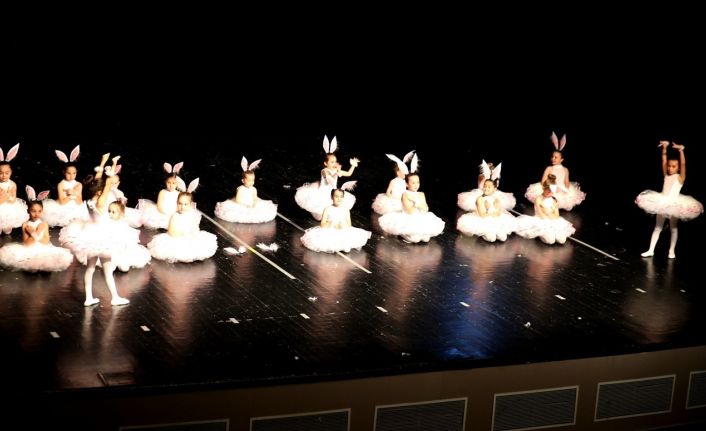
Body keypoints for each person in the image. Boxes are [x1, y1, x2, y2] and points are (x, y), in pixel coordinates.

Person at [59, 153, 130, 306]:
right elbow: (108, 182)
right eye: (102, 189)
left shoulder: (89, 200)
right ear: (99, 191)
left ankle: (89, 298)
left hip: (90, 235)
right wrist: (114, 163)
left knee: (90, 269)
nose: (104, 189)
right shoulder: (101, 200)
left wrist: (103, 161)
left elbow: (97, 179)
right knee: (107, 270)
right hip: (103, 237)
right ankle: (115, 297)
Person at [636, 141, 703, 259]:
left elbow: (683, 164)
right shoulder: (666, 175)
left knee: (673, 228)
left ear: (678, 168)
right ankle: (651, 250)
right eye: (669, 166)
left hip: (674, 204)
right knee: (657, 227)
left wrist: (681, 150)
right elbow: (663, 160)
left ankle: (671, 251)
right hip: (662, 202)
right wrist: (665, 147)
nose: (670, 168)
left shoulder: (680, 177)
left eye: (673, 166)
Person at [0, 187, 74, 272]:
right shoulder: (25, 225)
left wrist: (35, 232)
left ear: (42, 211)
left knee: (46, 263)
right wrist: (33, 232)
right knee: (32, 265)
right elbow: (27, 244)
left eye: (39, 211)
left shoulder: (44, 224)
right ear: (28, 211)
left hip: (43, 249)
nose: (36, 214)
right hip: (29, 250)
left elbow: (45, 242)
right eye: (33, 211)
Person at [295, 135, 359, 220]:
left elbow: (348, 174)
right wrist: (337, 172)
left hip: (332, 192)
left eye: (335, 162)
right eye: (332, 162)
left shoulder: (336, 170)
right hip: (323, 192)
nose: (334, 163)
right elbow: (329, 180)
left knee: (333, 210)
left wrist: (353, 165)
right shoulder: (324, 171)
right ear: (326, 163)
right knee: (321, 212)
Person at [148, 190, 218, 263]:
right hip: (176, 237)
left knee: (197, 245)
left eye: (185, 204)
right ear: (177, 203)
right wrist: (183, 234)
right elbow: (171, 232)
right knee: (176, 249)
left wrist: (192, 234)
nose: (182, 207)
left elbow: (195, 228)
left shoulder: (192, 215)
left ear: (190, 204)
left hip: (190, 237)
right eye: (180, 204)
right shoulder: (175, 216)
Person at [378, 169, 445, 243]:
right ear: (407, 184)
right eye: (413, 183)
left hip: (419, 217)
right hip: (408, 218)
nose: (416, 185)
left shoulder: (421, 194)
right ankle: (402, 234)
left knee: (426, 239)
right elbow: (409, 211)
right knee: (415, 239)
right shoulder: (405, 194)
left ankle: (416, 234)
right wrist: (416, 203)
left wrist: (421, 206)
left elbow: (426, 208)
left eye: (418, 182)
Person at [525, 132, 586, 211]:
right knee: (547, 203)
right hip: (550, 188)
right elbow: (543, 181)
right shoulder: (549, 168)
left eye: (556, 157)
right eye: (552, 157)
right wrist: (549, 189)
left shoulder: (565, 169)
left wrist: (566, 190)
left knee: (562, 198)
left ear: (561, 159)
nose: (553, 159)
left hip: (561, 189)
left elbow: (566, 182)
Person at [301, 189, 372, 253]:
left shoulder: (345, 209)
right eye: (336, 196)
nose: (339, 199)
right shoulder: (328, 209)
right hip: (330, 230)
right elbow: (322, 224)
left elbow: (349, 224)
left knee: (345, 238)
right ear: (332, 197)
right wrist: (331, 223)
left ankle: (343, 245)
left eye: (341, 196)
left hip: (342, 229)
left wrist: (343, 225)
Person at [215, 157, 278, 223]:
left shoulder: (254, 189)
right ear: (243, 181)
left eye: (253, 180)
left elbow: (255, 198)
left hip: (251, 204)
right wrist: (245, 205)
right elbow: (238, 200)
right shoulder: (240, 189)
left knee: (258, 213)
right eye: (249, 181)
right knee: (237, 214)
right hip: (241, 205)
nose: (251, 182)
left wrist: (254, 205)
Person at [516, 176, 575, 245]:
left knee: (562, 240)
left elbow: (556, 216)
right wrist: (551, 212)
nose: (550, 193)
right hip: (541, 221)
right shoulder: (539, 199)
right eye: (548, 190)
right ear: (544, 188)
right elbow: (542, 216)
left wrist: (552, 209)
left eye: (552, 191)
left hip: (553, 221)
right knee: (550, 241)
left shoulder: (554, 200)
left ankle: (551, 233)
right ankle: (541, 234)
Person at [42, 146, 90, 227]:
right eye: (69, 173)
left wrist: (74, 194)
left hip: (75, 207)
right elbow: (62, 202)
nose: (71, 176)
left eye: (74, 173)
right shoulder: (61, 184)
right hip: (62, 207)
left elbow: (80, 202)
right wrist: (70, 195)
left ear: (76, 173)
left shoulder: (78, 184)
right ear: (64, 172)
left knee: (79, 218)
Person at [138, 162, 183, 229]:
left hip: (173, 213)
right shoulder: (162, 192)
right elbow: (159, 206)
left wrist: (175, 213)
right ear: (165, 182)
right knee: (156, 219)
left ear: (177, 184)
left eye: (173, 183)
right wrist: (164, 213)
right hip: (161, 212)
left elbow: (179, 205)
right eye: (169, 183)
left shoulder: (178, 193)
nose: (171, 185)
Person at [0, 143, 29, 235]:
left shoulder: (12, 184)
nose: (4, 175)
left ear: (11, 172)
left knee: (7, 231)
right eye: (0, 173)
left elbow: (13, 200)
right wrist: (5, 196)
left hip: (9, 207)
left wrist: (8, 196)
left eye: (6, 173)